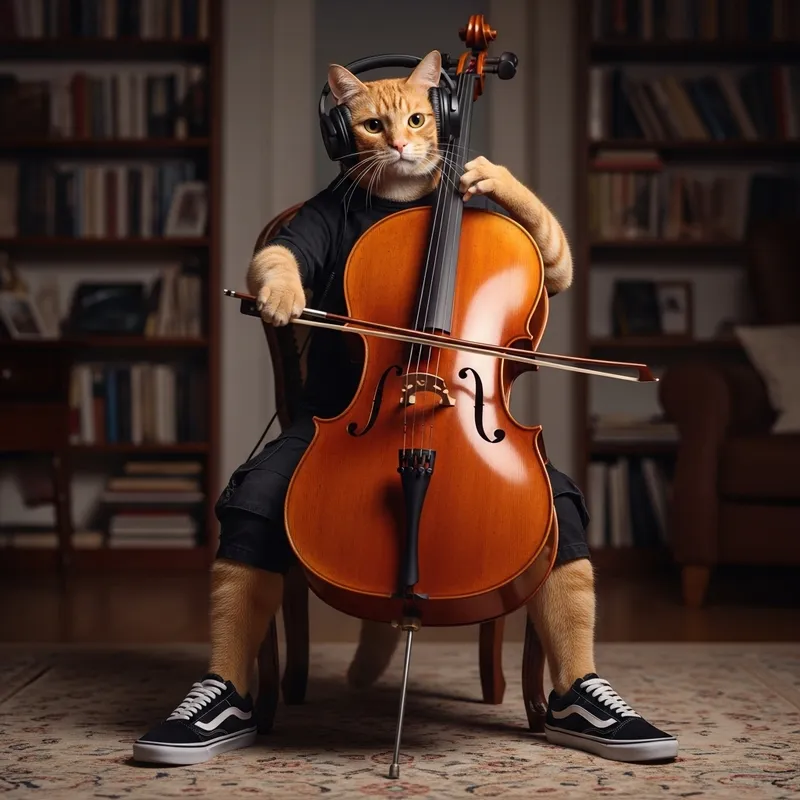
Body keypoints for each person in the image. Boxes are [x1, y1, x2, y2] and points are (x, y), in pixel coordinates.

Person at [133, 50, 678, 767]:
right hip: (343, 419)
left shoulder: (480, 215)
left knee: (557, 507)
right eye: (374, 126)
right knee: (254, 502)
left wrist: (517, 195)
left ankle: (576, 689)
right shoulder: (334, 210)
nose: (399, 139)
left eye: (416, 121)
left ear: (442, 118)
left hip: (466, 418)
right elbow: (275, 260)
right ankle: (227, 688)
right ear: (343, 131)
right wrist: (281, 283)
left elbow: (558, 271)